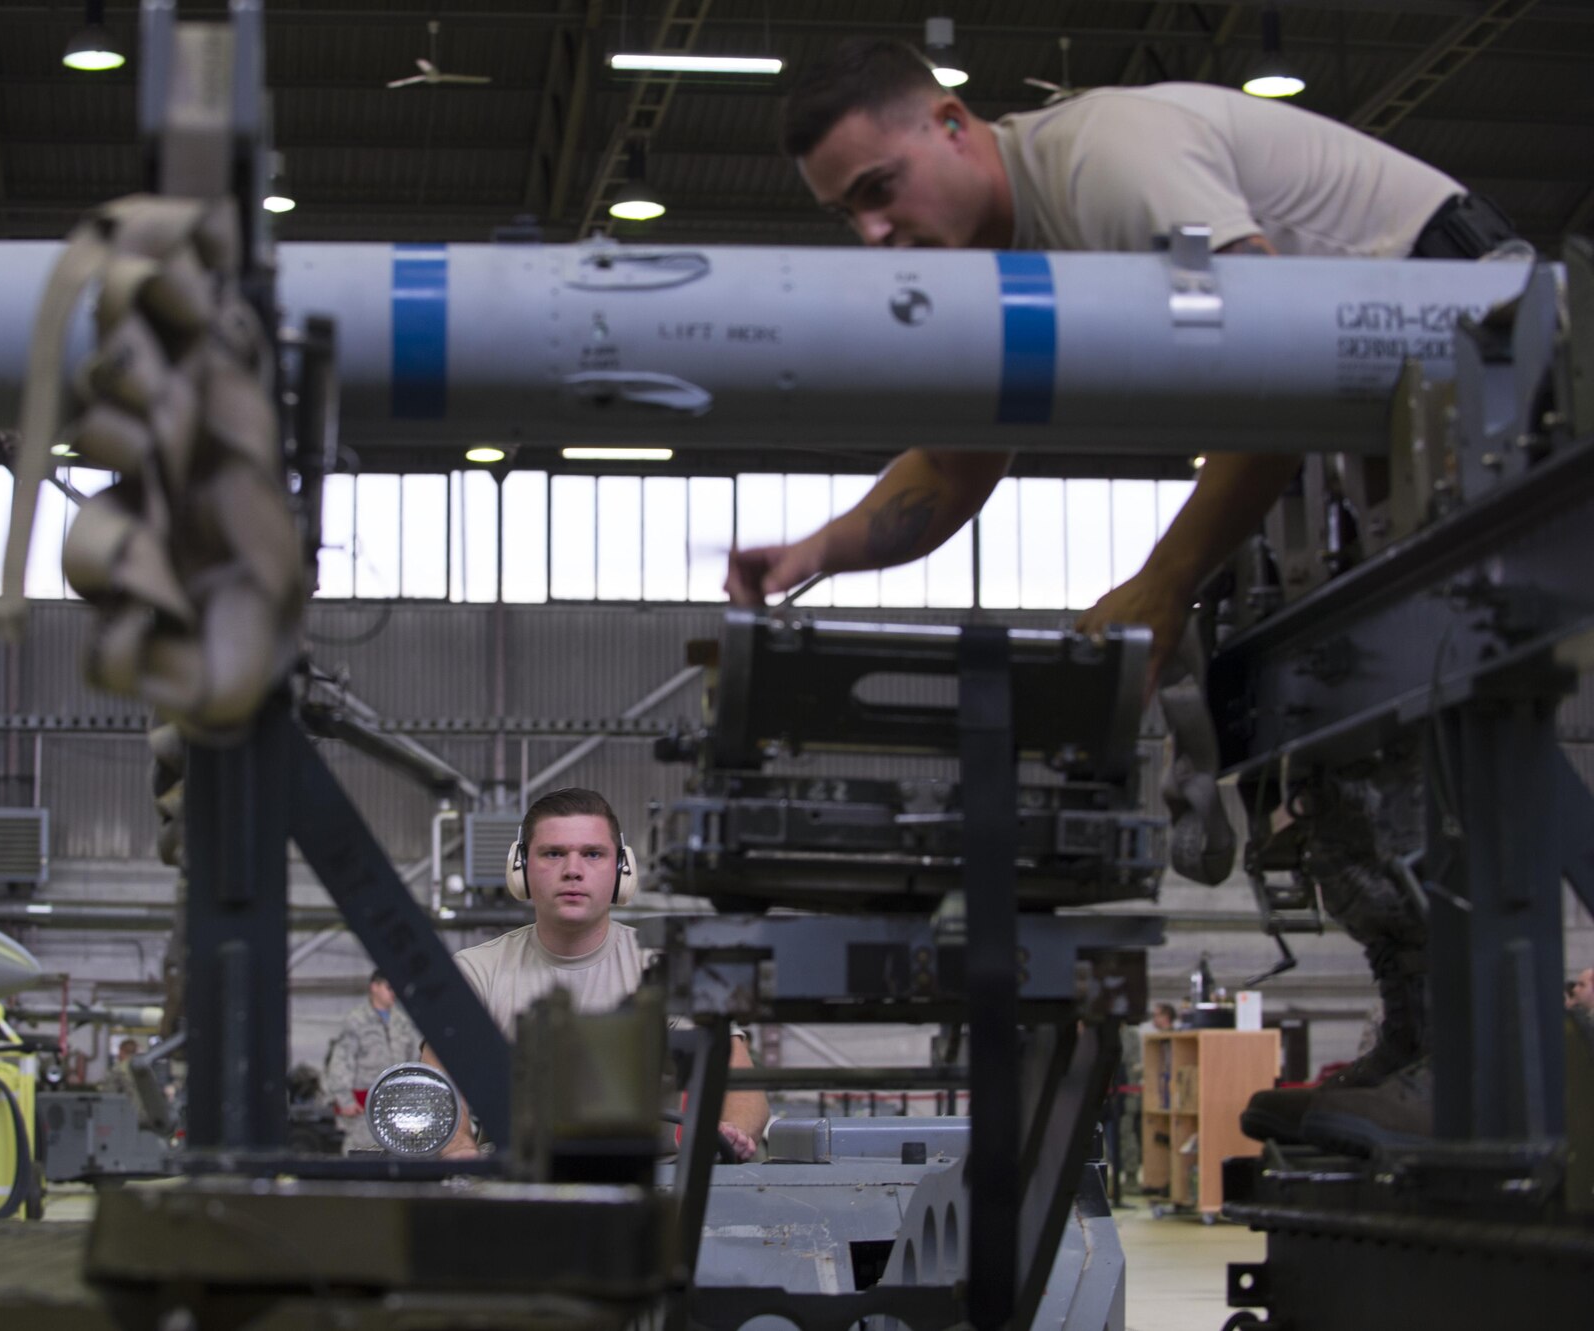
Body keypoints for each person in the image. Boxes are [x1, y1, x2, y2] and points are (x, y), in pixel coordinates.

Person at [728, 39, 1527, 1155]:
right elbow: (953, 468)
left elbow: (1275, 357)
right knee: (1329, 748)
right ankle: (1425, 1037)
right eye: (845, 215)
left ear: (951, 124)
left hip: (1481, 362)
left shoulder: (1107, 156)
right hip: (1368, 427)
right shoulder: (993, 273)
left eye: (878, 190)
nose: (872, 232)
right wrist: (809, 549)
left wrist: (1161, 577)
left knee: (1428, 717)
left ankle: (1483, 1065)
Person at [427, 788, 771, 1161]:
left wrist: (730, 1132)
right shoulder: (475, 972)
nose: (573, 870)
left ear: (622, 869)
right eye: (553, 853)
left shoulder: (668, 967)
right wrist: (457, 1147)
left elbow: (742, 1090)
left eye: (593, 854)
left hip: (655, 1187)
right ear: (520, 869)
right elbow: (438, 1093)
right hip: (514, 1186)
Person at [324, 970, 423, 1153]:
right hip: (364, 1108)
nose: (394, 992)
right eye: (389, 987)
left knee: (397, 1154)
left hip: (396, 1107)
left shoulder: (401, 1022)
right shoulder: (356, 1021)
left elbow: (413, 1061)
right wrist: (345, 1100)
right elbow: (341, 1061)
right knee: (362, 1154)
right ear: (374, 987)